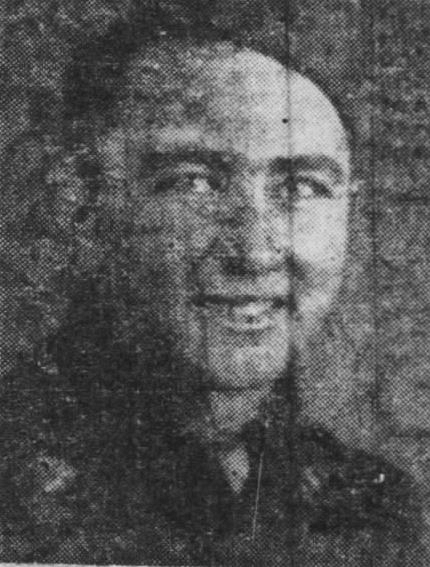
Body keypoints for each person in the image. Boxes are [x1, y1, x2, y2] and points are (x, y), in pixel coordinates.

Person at [0, 35, 425, 566]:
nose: (255, 253)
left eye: (302, 187)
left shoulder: (370, 506)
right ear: (81, 203)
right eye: (195, 182)